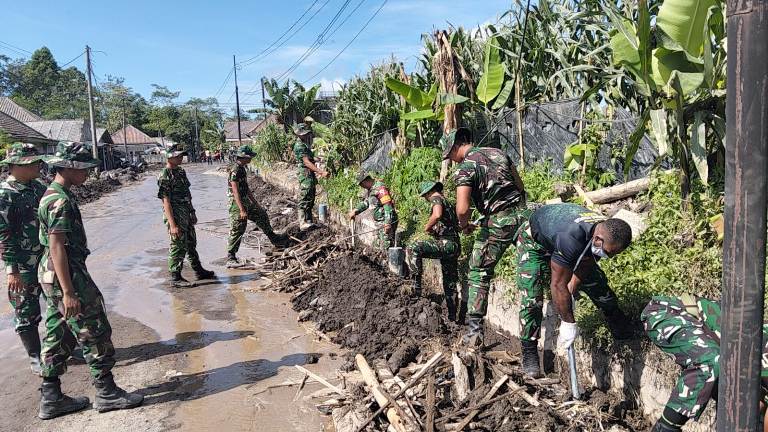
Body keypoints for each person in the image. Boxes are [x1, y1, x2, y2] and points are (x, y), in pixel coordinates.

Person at [37, 142, 143, 419]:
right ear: (68, 167)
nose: (87, 173)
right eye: (83, 168)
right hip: (66, 273)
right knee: (94, 328)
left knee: (59, 331)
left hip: (52, 273)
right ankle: (107, 393)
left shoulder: (53, 194)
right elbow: (57, 246)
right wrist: (69, 291)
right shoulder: (59, 201)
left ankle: (51, 396)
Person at [515, 202, 633, 378]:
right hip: (534, 243)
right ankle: (529, 350)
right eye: (608, 253)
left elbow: (587, 261)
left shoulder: (602, 232)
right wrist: (568, 323)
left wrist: (573, 286)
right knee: (532, 297)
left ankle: (616, 320)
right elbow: (557, 285)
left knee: (597, 283)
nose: (608, 257)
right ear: (598, 239)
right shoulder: (570, 237)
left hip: (564, 237)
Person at [441, 127, 527, 347]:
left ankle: (474, 332)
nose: (451, 160)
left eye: (450, 155)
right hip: (523, 216)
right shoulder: (498, 153)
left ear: (455, 147)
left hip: (498, 224)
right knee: (530, 267)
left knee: (478, 270)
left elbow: (462, 209)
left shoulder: (465, 168)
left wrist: (464, 226)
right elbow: (520, 186)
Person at [643, 294, 768, 432]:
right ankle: (665, 428)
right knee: (710, 360)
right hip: (667, 311)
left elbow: (754, 407)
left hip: (707, 339)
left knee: (739, 401)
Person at [0, 143, 49, 374]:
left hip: (45, 258)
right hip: (23, 265)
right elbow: (3, 235)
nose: (38, 166)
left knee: (57, 304)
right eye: (33, 162)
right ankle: (35, 356)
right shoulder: (5, 194)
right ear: (17, 165)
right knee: (26, 310)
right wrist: (12, 270)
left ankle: (59, 346)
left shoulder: (38, 187)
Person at [157, 145, 215, 287]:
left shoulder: (181, 172)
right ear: (169, 157)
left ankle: (198, 270)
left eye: (181, 155)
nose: (181, 158)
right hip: (175, 215)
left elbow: (187, 194)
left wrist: (192, 212)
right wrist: (172, 225)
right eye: (178, 156)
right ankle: (175, 277)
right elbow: (166, 202)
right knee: (178, 245)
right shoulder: (165, 175)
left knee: (191, 243)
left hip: (186, 213)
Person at [406, 181, 460, 321]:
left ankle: (416, 289)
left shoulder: (436, 198)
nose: (425, 199)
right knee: (449, 281)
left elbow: (437, 215)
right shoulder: (448, 202)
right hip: (454, 245)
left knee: (413, 247)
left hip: (446, 243)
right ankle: (453, 316)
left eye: (425, 196)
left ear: (429, 192)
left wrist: (427, 227)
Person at [226, 145, 287, 267]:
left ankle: (274, 239)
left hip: (245, 201)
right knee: (238, 228)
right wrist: (242, 210)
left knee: (261, 214)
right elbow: (235, 191)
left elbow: (246, 188)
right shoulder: (235, 170)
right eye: (249, 157)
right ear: (243, 157)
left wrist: (255, 203)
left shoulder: (242, 168)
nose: (251, 159)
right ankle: (231, 257)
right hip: (236, 204)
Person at [349, 172, 398, 249]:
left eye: (361, 185)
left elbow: (387, 205)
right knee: (379, 245)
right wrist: (356, 210)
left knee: (386, 246)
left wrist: (388, 222)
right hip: (379, 223)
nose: (362, 187)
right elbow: (366, 203)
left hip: (385, 222)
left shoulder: (380, 188)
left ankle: (390, 256)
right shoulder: (371, 190)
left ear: (365, 182)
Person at [293, 123, 328, 229]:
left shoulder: (304, 144)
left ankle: (309, 221)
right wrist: (321, 172)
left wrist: (318, 159)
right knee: (305, 197)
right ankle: (302, 222)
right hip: (305, 175)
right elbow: (306, 162)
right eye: (304, 133)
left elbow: (309, 158)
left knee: (310, 198)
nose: (306, 135)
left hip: (309, 174)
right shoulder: (299, 145)